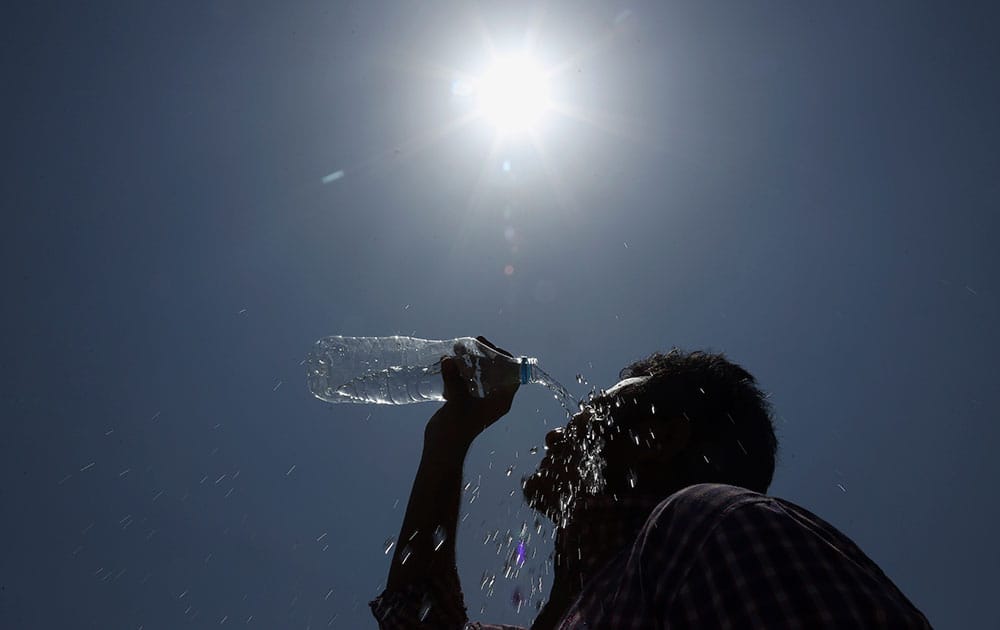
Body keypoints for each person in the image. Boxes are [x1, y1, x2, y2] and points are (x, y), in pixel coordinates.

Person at [371, 338, 930, 629]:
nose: (554, 432)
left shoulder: (708, 529)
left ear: (658, 439)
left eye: (593, 409)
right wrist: (449, 438)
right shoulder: (584, 605)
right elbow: (416, 621)